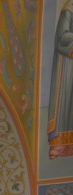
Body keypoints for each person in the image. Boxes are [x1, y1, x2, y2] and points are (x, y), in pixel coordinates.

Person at [47, 0, 73, 159]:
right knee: (66, 102)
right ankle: (60, 145)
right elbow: (61, 37)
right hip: (68, 65)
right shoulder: (69, 10)